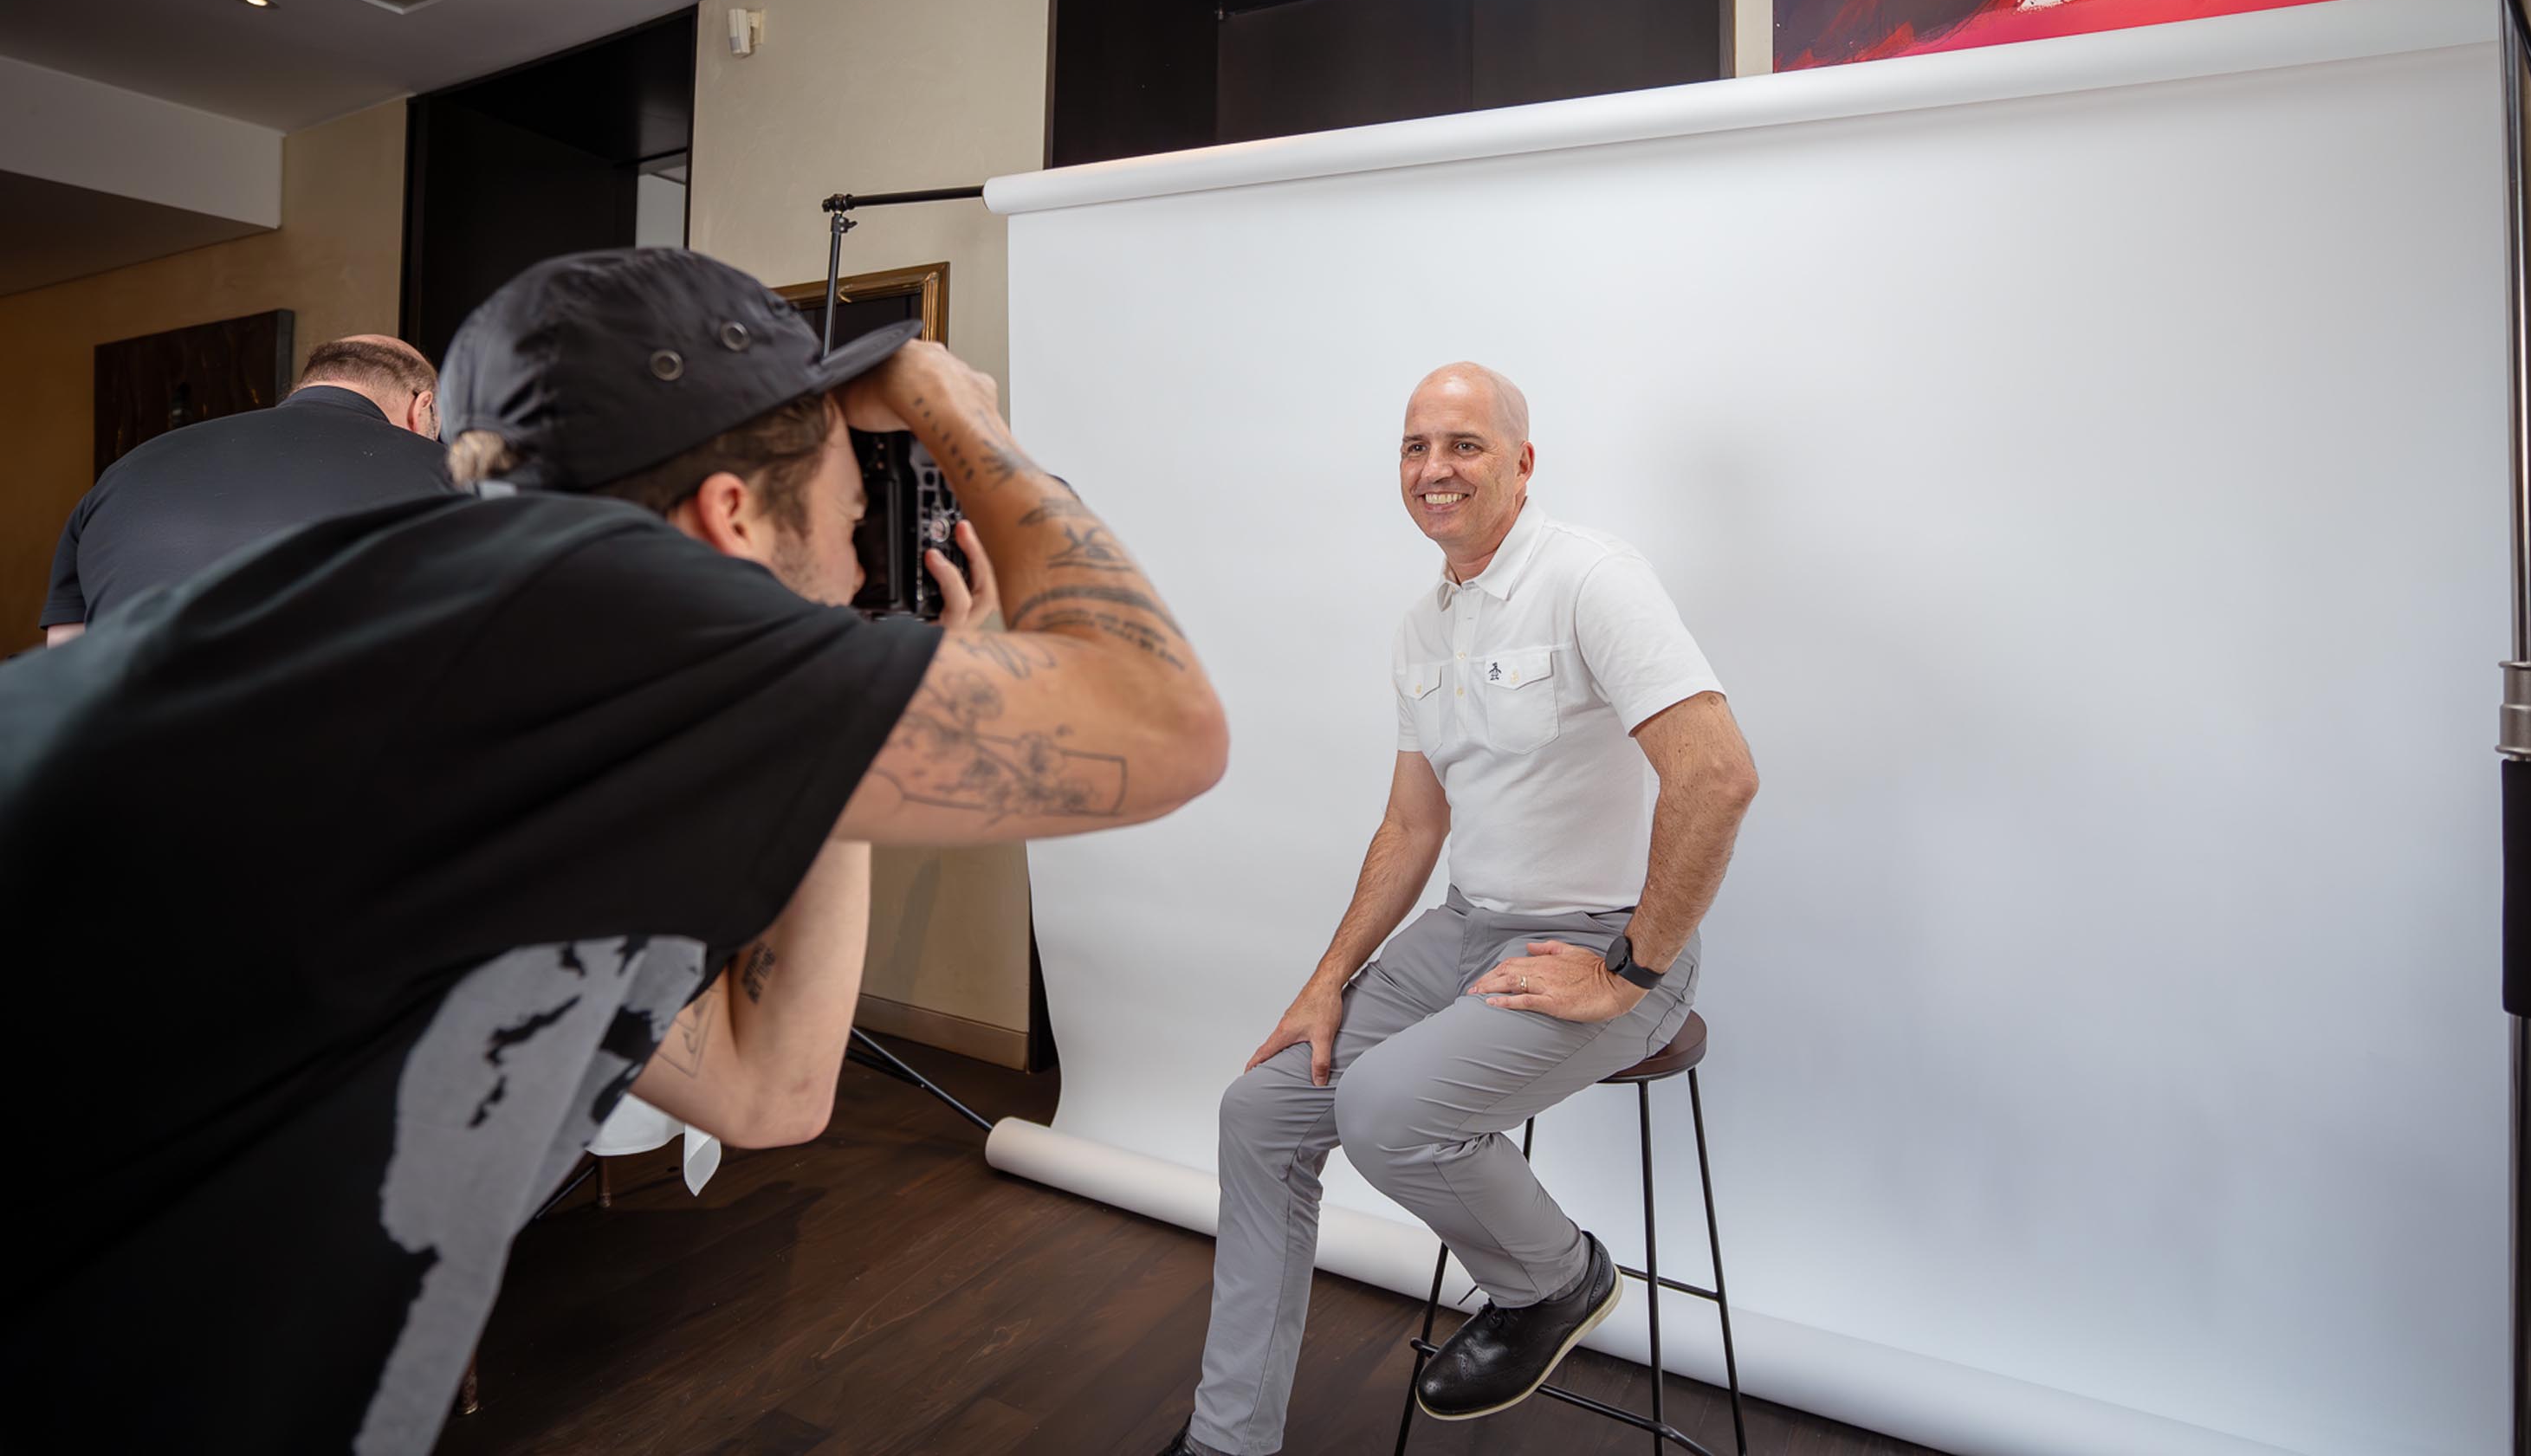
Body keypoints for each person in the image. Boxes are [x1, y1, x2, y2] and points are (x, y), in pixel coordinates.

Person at [0, 248, 1227, 1455]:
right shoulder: (582, 634)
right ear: (729, 515)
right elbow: (1165, 724)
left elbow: (769, 1094)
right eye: (854, 515)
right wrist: (962, 418)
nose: (863, 565)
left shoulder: (477, 674)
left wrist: (842, 753)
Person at [1162, 363, 1758, 1456]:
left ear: (1521, 462)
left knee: (1387, 1105)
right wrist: (1323, 981)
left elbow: (1715, 773)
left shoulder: (1591, 577)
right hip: (1465, 924)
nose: (1435, 468)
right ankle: (1225, 1441)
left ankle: (1557, 1275)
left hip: (1607, 940)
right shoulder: (1421, 626)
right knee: (1261, 1111)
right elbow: (1409, 829)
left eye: (1465, 444)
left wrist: (1626, 968)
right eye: (1413, 447)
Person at [40, 333, 455, 644]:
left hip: (121, 746)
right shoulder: (452, 474)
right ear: (421, 409)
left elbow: (66, 653)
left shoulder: (126, 469)